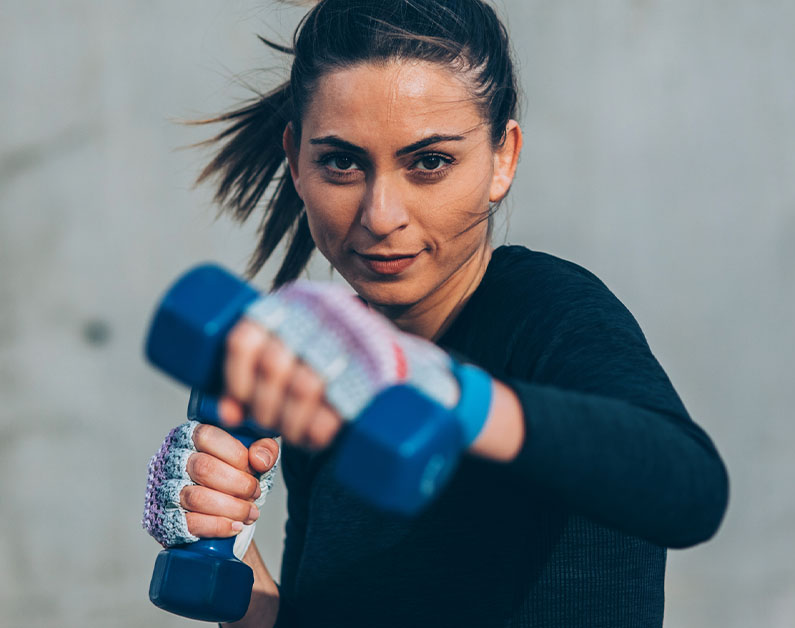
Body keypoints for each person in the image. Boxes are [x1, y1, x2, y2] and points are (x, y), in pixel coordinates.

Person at [143, 1, 729, 626]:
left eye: (429, 162)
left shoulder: (546, 313)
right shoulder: (334, 374)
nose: (381, 214)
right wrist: (231, 553)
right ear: (296, 160)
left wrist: (452, 400)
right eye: (342, 162)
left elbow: (691, 491)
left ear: (502, 158)